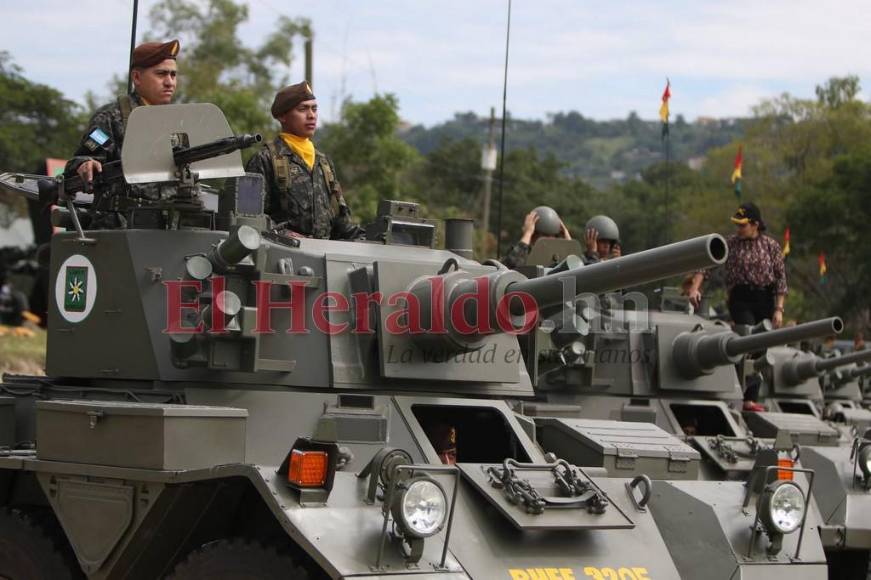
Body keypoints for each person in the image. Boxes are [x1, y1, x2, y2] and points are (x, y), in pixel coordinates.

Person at [65, 40, 180, 228]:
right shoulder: (112, 117)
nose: (169, 82)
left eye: (173, 75)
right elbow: (80, 160)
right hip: (120, 229)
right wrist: (86, 164)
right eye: (161, 74)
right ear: (136, 77)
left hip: (168, 231)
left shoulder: (178, 122)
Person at [245, 82, 364, 240]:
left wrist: (371, 239)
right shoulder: (264, 160)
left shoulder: (324, 163)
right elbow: (250, 218)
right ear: (282, 116)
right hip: (283, 257)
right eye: (302, 109)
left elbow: (342, 223)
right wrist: (286, 235)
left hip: (325, 258)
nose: (311, 115)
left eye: (314, 109)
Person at [685, 202, 787, 328]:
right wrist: (695, 288)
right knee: (748, 333)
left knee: (762, 338)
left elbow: (780, 279)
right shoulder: (730, 243)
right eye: (737, 225)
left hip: (765, 299)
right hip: (740, 298)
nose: (738, 229)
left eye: (743, 226)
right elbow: (706, 265)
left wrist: (779, 309)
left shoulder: (771, 246)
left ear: (755, 225)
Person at [501, 206, 572, 269]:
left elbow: (575, 267)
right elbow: (510, 267)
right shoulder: (525, 256)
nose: (550, 239)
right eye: (544, 235)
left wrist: (568, 242)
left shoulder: (557, 259)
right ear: (533, 235)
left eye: (553, 236)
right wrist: (528, 233)